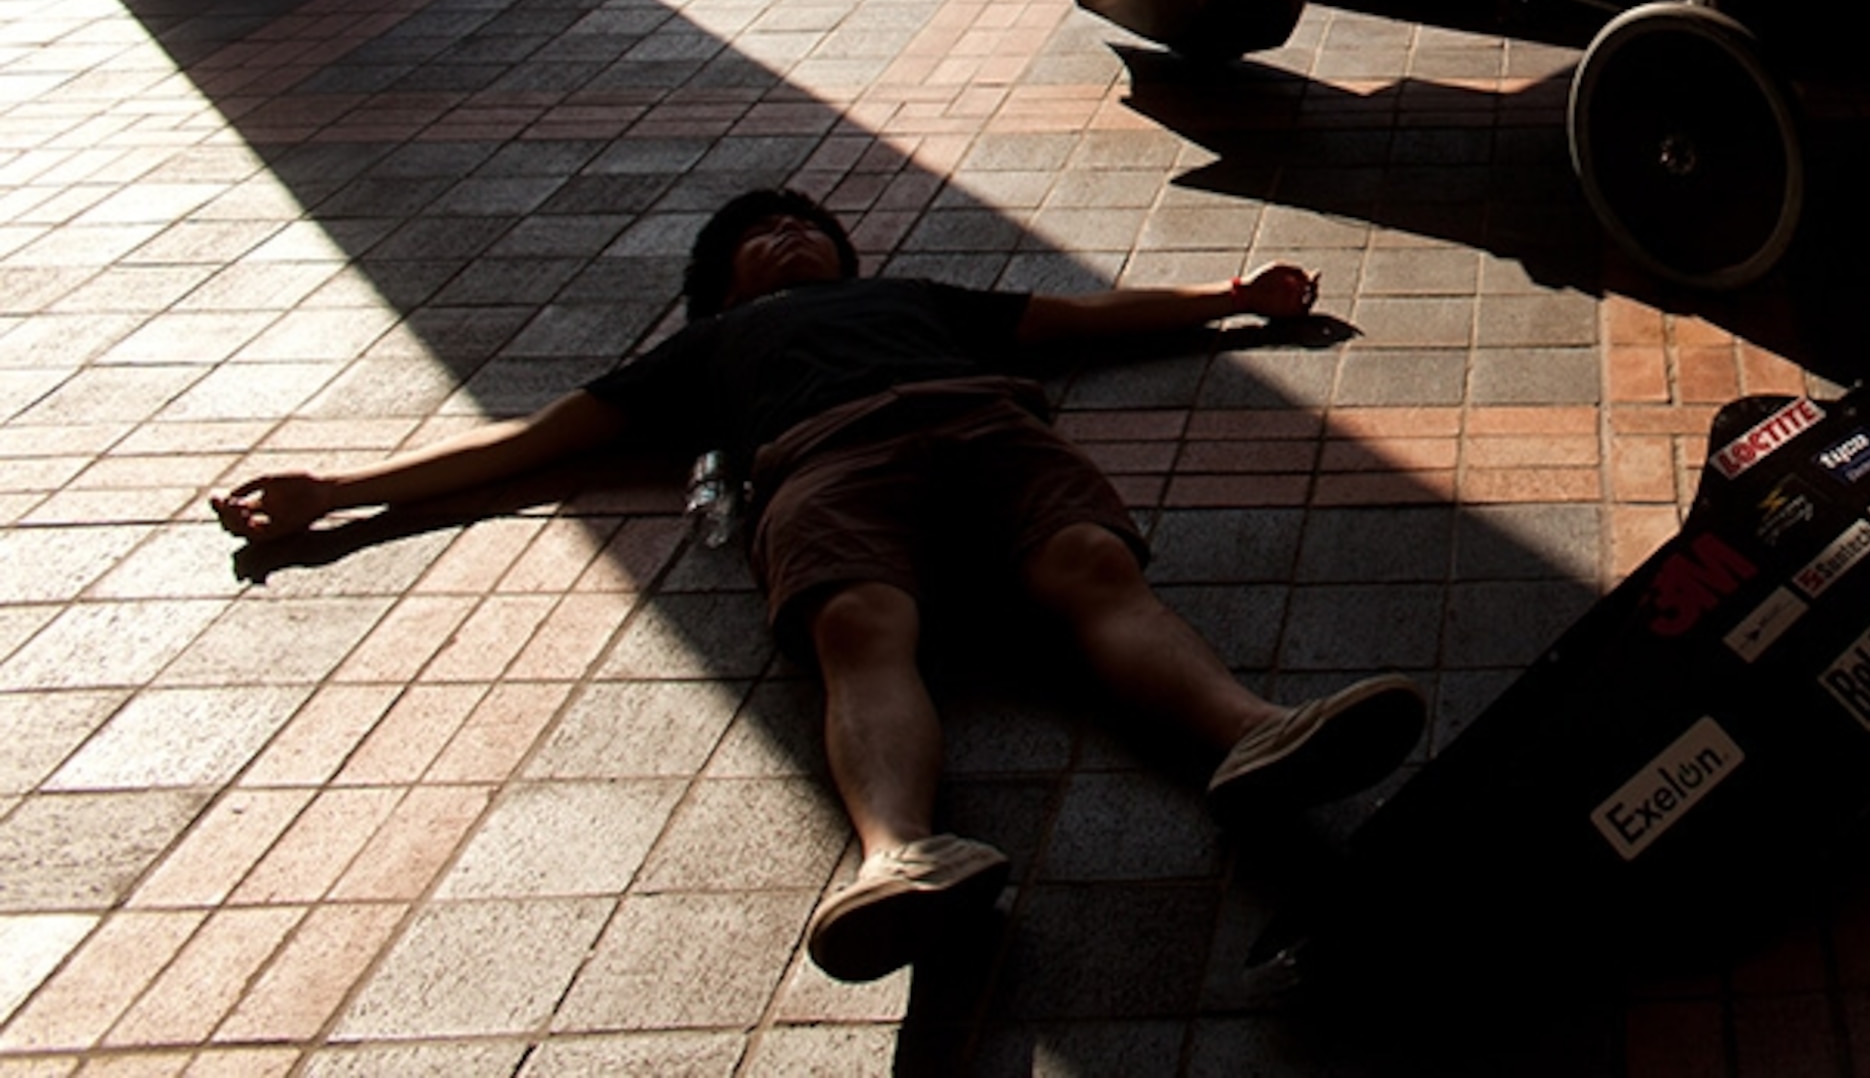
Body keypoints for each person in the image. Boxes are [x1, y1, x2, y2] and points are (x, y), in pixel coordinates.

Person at [213, 189, 1426, 983]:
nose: (793, 232)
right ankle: (898, 853)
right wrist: (341, 490)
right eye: (763, 230)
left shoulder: (912, 298)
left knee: (1093, 568)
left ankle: (1256, 735)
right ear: (723, 280)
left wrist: (1227, 298)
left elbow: (1082, 319)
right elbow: (535, 440)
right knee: (860, 626)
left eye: (809, 221)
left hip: (985, 423)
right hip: (823, 465)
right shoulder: (702, 350)